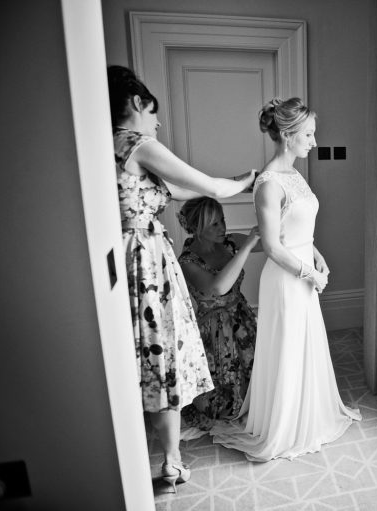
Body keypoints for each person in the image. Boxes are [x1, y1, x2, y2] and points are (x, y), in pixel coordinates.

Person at [108, 65, 258, 491]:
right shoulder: (136, 142)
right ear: (137, 103)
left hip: (125, 257)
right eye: (153, 111)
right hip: (146, 261)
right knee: (162, 357)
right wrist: (246, 180)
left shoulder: (105, 147)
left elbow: (178, 191)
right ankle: (170, 460)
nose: (157, 122)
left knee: (145, 358)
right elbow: (205, 184)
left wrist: (220, 187)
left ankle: (163, 455)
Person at [212, 97, 361, 461]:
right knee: (288, 348)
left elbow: (301, 233)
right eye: (308, 134)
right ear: (287, 134)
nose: (313, 141)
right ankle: (285, 425)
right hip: (285, 279)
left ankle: (308, 414)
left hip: (303, 271)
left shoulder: (295, 175)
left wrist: (317, 257)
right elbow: (273, 245)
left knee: (304, 344)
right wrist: (308, 272)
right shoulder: (268, 184)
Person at [176, 198, 261, 436]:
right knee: (224, 399)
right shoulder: (187, 261)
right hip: (213, 331)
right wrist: (246, 247)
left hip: (241, 318)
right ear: (196, 228)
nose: (222, 228)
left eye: (222, 220)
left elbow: (271, 242)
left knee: (256, 379)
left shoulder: (231, 242)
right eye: (213, 225)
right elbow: (218, 287)